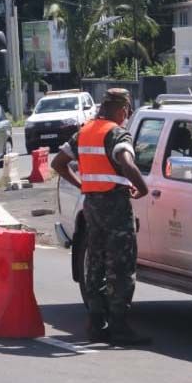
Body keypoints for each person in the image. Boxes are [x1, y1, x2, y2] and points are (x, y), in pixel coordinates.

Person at [50, 88, 150, 346]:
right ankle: (119, 326)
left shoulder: (84, 132)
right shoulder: (116, 133)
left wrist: (82, 184)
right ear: (121, 109)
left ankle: (96, 323)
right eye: (126, 111)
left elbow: (58, 163)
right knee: (121, 265)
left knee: (95, 263)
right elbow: (127, 162)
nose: (126, 116)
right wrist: (143, 188)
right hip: (115, 205)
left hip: (92, 205)